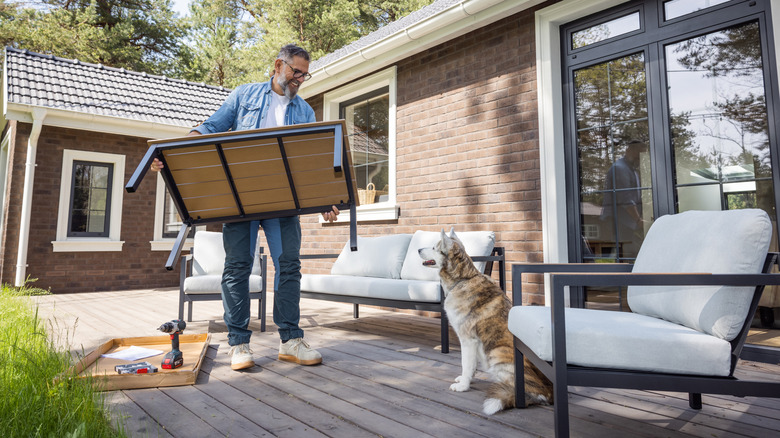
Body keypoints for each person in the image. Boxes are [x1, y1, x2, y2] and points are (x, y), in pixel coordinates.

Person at [151, 44, 339, 371]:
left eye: (305, 74)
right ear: (278, 64)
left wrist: (325, 195)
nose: (300, 79)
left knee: (289, 265)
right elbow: (210, 128)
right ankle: (239, 343)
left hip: (283, 200)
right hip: (241, 197)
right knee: (238, 267)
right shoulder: (245, 96)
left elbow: (313, 161)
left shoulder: (305, 112)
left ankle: (291, 340)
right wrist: (174, 152)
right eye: (296, 71)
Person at [600, 139, 648, 259]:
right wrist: (638, 220)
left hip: (626, 223)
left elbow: (633, 198)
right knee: (623, 257)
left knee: (629, 255)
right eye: (638, 155)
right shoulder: (620, 169)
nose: (640, 159)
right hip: (618, 223)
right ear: (628, 151)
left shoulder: (632, 171)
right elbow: (625, 198)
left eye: (642, 155)